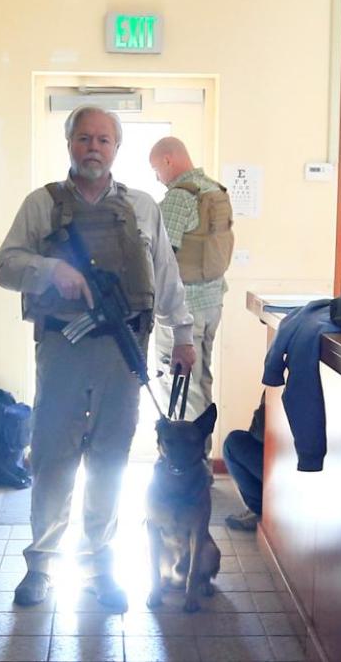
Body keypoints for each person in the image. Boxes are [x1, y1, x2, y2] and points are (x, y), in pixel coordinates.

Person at [0, 105, 196, 612]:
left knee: (110, 460)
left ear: (116, 149)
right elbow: (3, 266)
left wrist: (185, 337)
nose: (93, 148)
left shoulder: (143, 207)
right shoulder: (42, 205)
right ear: (69, 144)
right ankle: (40, 564)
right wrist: (49, 270)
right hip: (63, 348)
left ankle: (98, 563)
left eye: (104, 140)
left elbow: (166, 277)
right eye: (84, 138)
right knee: (53, 458)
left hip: (122, 352)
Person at [148, 137, 233, 454]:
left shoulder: (180, 197)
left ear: (169, 160)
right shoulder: (214, 190)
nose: (157, 176)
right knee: (201, 383)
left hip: (183, 312)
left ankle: (182, 465)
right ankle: (200, 462)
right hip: (212, 303)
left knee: (180, 387)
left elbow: (160, 258)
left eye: (156, 168)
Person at [222, 394, 265, 531]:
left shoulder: (281, 380)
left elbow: (259, 434)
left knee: (233, 443)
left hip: (287, 467)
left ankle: (258, 510)